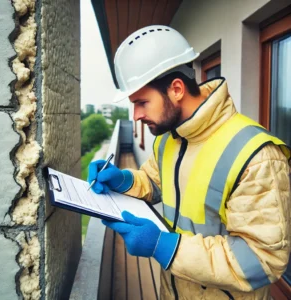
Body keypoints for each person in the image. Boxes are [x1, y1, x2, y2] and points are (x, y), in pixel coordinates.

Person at [88, 25, 291, 300]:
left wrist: (166, 247)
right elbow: (154, 182)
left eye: (142, 102)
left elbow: (262, 259)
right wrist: (123, 180)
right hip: (172, 290)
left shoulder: (257, 156)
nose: (135, 115)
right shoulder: (168, 137)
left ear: (176, 89)